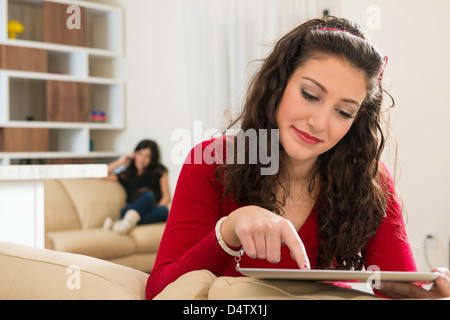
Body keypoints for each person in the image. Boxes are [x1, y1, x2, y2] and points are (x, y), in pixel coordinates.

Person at [146, 16, 450, 299]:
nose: (319, 123)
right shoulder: (212, 161)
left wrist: (424, 295)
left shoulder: (370, 180)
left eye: (343, 112)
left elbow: (396, 285)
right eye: (310, 95)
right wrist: (229, 230)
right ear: (278, 84)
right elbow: (159, 290)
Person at [103, 139, 171, 234]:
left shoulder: (160, 171)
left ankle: (119, 225)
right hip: (129, 210)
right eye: (140, 154)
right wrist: (121, 161)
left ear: (152, 159)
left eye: (147, 156)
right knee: (148, 196)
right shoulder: (127, 174)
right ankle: (125, 222)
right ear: (134, 154)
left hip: (150, 210)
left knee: (163, 210)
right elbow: (100, 175)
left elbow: (166, 197)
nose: (142, 159)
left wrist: (153, 209)